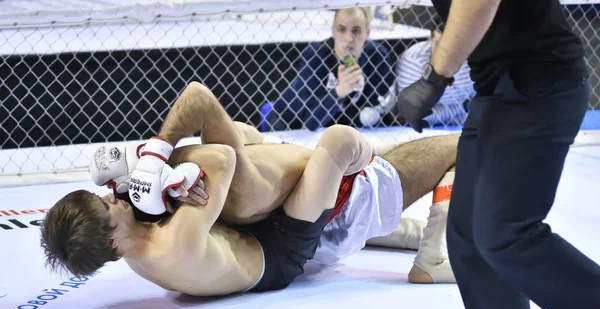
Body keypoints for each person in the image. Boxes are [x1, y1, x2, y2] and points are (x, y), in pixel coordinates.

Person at [394, 0, 600, 309]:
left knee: (507, 235)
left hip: (537, 86)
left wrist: (436, 77)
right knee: (469, 235)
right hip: (500, 92)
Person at [69, 82, 459, 284]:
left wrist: (164, 182)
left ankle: (392, 206)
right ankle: (432, 258)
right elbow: (215, 149)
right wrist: (149, 158)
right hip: (291, 241)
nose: (112, 196)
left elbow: (215, 160)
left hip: (272, 225)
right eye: (106, 206)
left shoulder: (140, 236)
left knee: (245, 136)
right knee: (351, 141)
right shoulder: (175, 245)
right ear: (110, 241)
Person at [265, 7, 395, 131]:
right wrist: (339, 91)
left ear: (367, 33)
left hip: (339, 126)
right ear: (333, 31)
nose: (349, 39)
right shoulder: (314, 55)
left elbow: (377, 108)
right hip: (288, 123)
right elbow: (311, 122)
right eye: (341, 29)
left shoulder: (377, 56)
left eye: (356, 31)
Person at [395, 28, 474, 127]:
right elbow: (411, 112)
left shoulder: (471, 60)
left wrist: (467, 107)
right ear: (430, 39)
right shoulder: (413, 59)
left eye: (450, 45)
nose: (444, 50)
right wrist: (463, 107)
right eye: (439, 43)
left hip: (467, 124)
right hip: (418, 130)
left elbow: (476, 103)